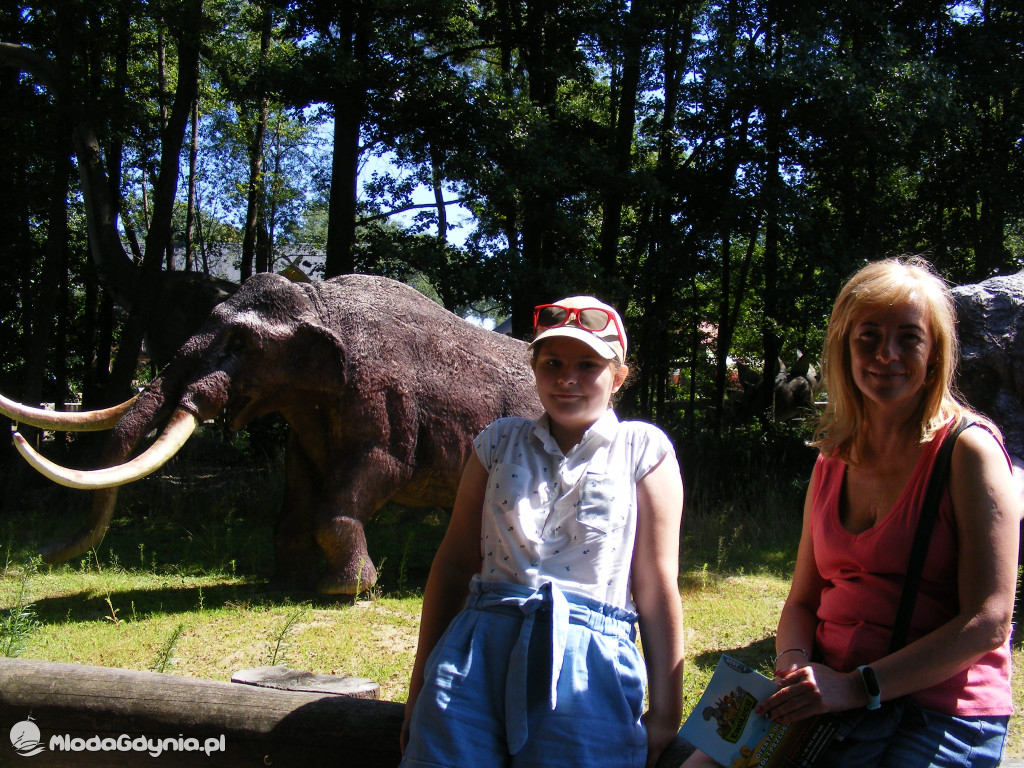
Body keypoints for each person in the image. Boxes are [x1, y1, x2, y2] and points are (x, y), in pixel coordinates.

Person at [683, 256, 1018, 768]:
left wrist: (856, 687)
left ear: (934, 353)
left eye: (908, 337)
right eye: (868, 336)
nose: (887, 354)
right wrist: (795, 665)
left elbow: (988, 621)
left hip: (934, 711)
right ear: (844, 348)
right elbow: (801, 602)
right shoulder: (831, 461)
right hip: (828, 693)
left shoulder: (968, 452)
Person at [400, 295, 686, 768]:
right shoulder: (497, 442)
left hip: (588, 666)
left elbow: (656, 586)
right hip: (476, 655)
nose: (566, 378)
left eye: (587, 364)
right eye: (551, 362)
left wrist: (667, 713)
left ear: (617, 376)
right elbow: (453, 564)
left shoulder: (643, 450)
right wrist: (420, 685)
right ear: (533, 367)